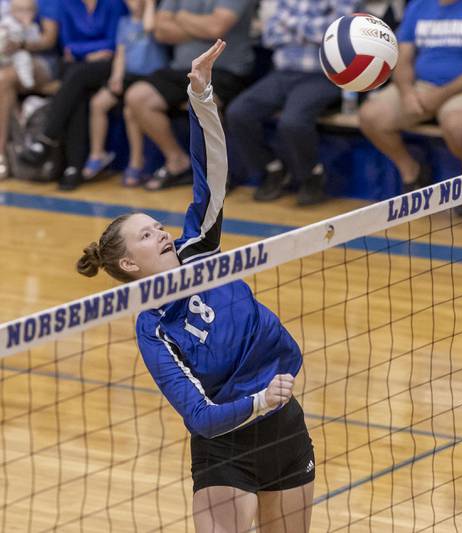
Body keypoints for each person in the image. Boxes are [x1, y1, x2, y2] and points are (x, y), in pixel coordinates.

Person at [76, 41, 315, 533]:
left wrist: (201, 95)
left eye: (156, 226)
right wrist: (259, 400)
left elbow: (212, 178)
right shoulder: (155, 330)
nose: (161, 233)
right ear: (129, 262)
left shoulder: (197, 252)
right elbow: (200, 417)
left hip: (285, 426)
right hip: (227, 446)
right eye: (146, 235)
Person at [358, 0, 462, 194]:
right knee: (370, 116)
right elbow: (402, 58)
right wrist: (406, 92)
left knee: (457, 125)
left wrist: (441, 95)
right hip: (421, 86)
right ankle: (411, 171)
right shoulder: (419, 5)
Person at [225, 0, 358, 206]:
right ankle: (272, 168)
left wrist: (291, 25)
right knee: (238, 113)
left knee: (293, 122)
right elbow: (270, 34)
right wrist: (311, 30)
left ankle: (311, 175)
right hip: (282, 73)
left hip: (322, 75)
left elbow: (335, 35)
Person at [125, 0, 257, 191]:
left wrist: (179, 18)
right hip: (182, 69)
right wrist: (201, 29)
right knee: (137, 96)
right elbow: (161, 32)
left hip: (224, 70)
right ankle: (177, 161)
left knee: (202, 101)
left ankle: (216, 173)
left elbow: (216, 28)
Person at [19, 0, 127, 190]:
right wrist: (90, 53)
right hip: (78, 65)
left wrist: (87, 53)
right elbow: (68, 45)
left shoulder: (113, 3)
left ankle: (46, 138)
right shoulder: (66, 4)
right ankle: (73, 168)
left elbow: (115, 41)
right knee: (77, 91)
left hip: (108, 66)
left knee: (76, 77)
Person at [82, 0, 168, 186]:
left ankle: (136, 162)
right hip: (129, 76)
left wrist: (150, 6)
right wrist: (116, 76)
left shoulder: (156, 18)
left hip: (151, 77)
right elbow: (121, 54)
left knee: (131, 111)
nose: (134, 3)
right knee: (98, 103)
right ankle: (97, 153)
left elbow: (149, 27)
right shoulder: (124, 22)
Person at [0, 0, 57, 179]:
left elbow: (49, 40)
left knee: (4, 79)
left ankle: (0, 154)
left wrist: (21, 44)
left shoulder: (48, 4)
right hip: (9, 62)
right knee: (4, 82)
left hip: (43, 61)